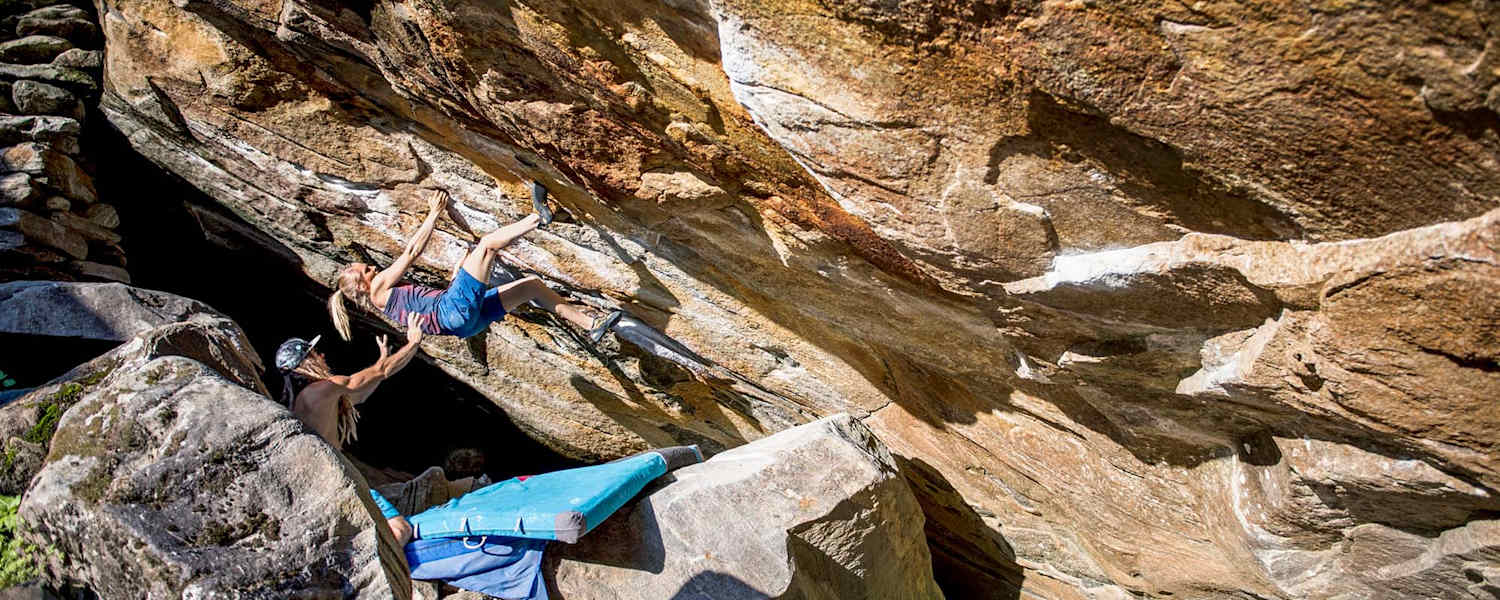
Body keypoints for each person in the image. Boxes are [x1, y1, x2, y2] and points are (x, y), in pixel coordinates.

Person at [325, 184, 623, 344]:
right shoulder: (377, 289)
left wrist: (454, 283)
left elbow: (426, 307)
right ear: (362, 284)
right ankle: (539, 217)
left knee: (531, 287)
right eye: (366, 270)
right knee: (487, 245)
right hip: (453, 311)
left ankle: (592, 325)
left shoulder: (383, 302)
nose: (373, 269)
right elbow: (412, 251)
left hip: (462, 324)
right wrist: (434, 213)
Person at [273, 317, 476, 546]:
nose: (322, 356)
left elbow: (362, 392)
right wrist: (413, 342)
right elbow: (381, 371)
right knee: (400, 529)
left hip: (319, 479)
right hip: (338, 476)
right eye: (315, 353)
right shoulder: (324, 388)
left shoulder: (299, 403)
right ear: (306, 362)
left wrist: (382, 360)